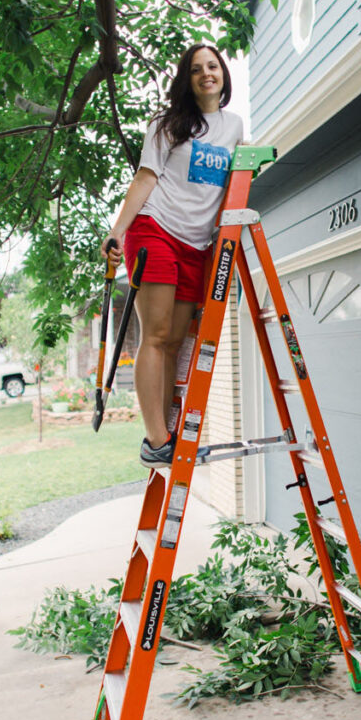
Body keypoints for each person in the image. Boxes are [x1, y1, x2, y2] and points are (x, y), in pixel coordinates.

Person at [102, 44, 244, 467]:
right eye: (197, 69)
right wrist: (116, 232)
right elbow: (145, 178)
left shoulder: (234, 126)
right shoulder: (167, 125)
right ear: (187, 78)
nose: (206, 74)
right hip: (155, 229)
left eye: (213, 66)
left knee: (177, 340)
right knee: (158, 336)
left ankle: (165, 432)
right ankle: (156, 440)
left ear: (223, 75)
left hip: (197, 245)